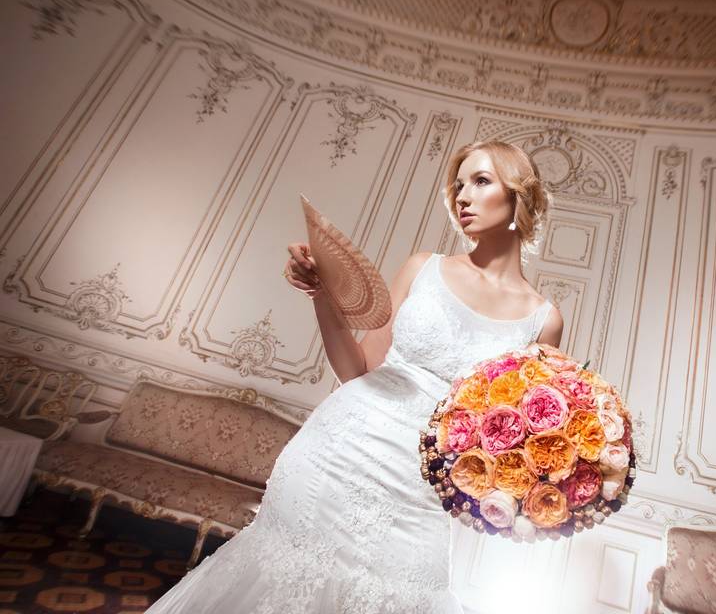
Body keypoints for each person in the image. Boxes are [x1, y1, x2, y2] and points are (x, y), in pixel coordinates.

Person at [145, 140, 563, 613]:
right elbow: (357, 369)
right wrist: (323, 294)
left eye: (481, 181)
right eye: (458, 185)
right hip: (339, 451)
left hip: (418, 487)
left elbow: (511, 434)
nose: (461, 196)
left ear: (517, 196)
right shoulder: (423, 268)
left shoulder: (542, 321)